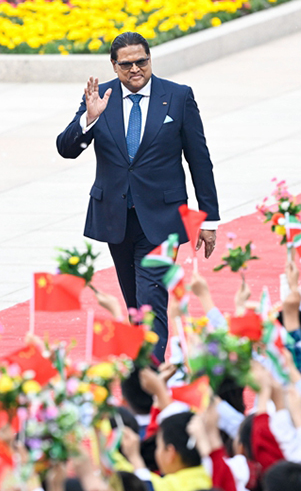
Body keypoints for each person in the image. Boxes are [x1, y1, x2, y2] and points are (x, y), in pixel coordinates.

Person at [55, 31, 220, 361]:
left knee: (151, 300)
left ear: (150, 59)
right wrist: (89, 118)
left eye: (141, 62)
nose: (135, 69)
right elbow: (67, 149)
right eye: (126, 64)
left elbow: (199, 159)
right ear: (113, 66)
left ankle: (152, 372)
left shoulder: (177, 96)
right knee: (134, 303)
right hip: (116, 218)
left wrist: (208, 218)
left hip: (163, 218)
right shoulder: (99, 97)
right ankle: (142, 364)